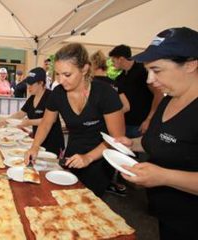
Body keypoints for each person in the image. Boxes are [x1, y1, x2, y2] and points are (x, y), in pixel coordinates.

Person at [116, 27, 198, 240]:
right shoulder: (168, 99)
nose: (149, 80)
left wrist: (163, 176)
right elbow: (158, 141)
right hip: (168, 215)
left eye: (157, 70)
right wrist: (131, 143)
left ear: (190, 64)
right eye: (148, 71)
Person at [25, 43, 125, 197]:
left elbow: (117, 140)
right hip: (72, 155)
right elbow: (46, 123)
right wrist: (35, 146)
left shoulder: (105, 94)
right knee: (66, 198)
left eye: (67, 75)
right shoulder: (57, 94)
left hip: (100, 157)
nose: (60, 80)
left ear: (84, 69)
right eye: (57, 74)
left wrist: (88, 157)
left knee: (89, 204)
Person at [0, 67, 64, 156]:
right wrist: (5, 121)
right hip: (37, 141)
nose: (28, 87)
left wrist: (29, 122)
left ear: (41, 83)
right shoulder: (32, 98)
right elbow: (20, 113)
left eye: (31, 84)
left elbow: (51, 120)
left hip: (52, 142)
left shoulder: (51, 96)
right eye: (28, 84)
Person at [90, 50, 130, 196]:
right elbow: (126, 106)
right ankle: (106, 185)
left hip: (95, 131)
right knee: (107, 161)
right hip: (113, 132)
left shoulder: (91, 84)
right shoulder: (115, 83)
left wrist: (104, 116)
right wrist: (113, 116)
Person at [109, 44, 163, 138]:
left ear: (121, 59)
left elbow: (159, 94)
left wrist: (149, 119)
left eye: (113, 60)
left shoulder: (143, 71)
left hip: (140, 125)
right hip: (125, 125)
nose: (112, 64)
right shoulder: (120, 78)